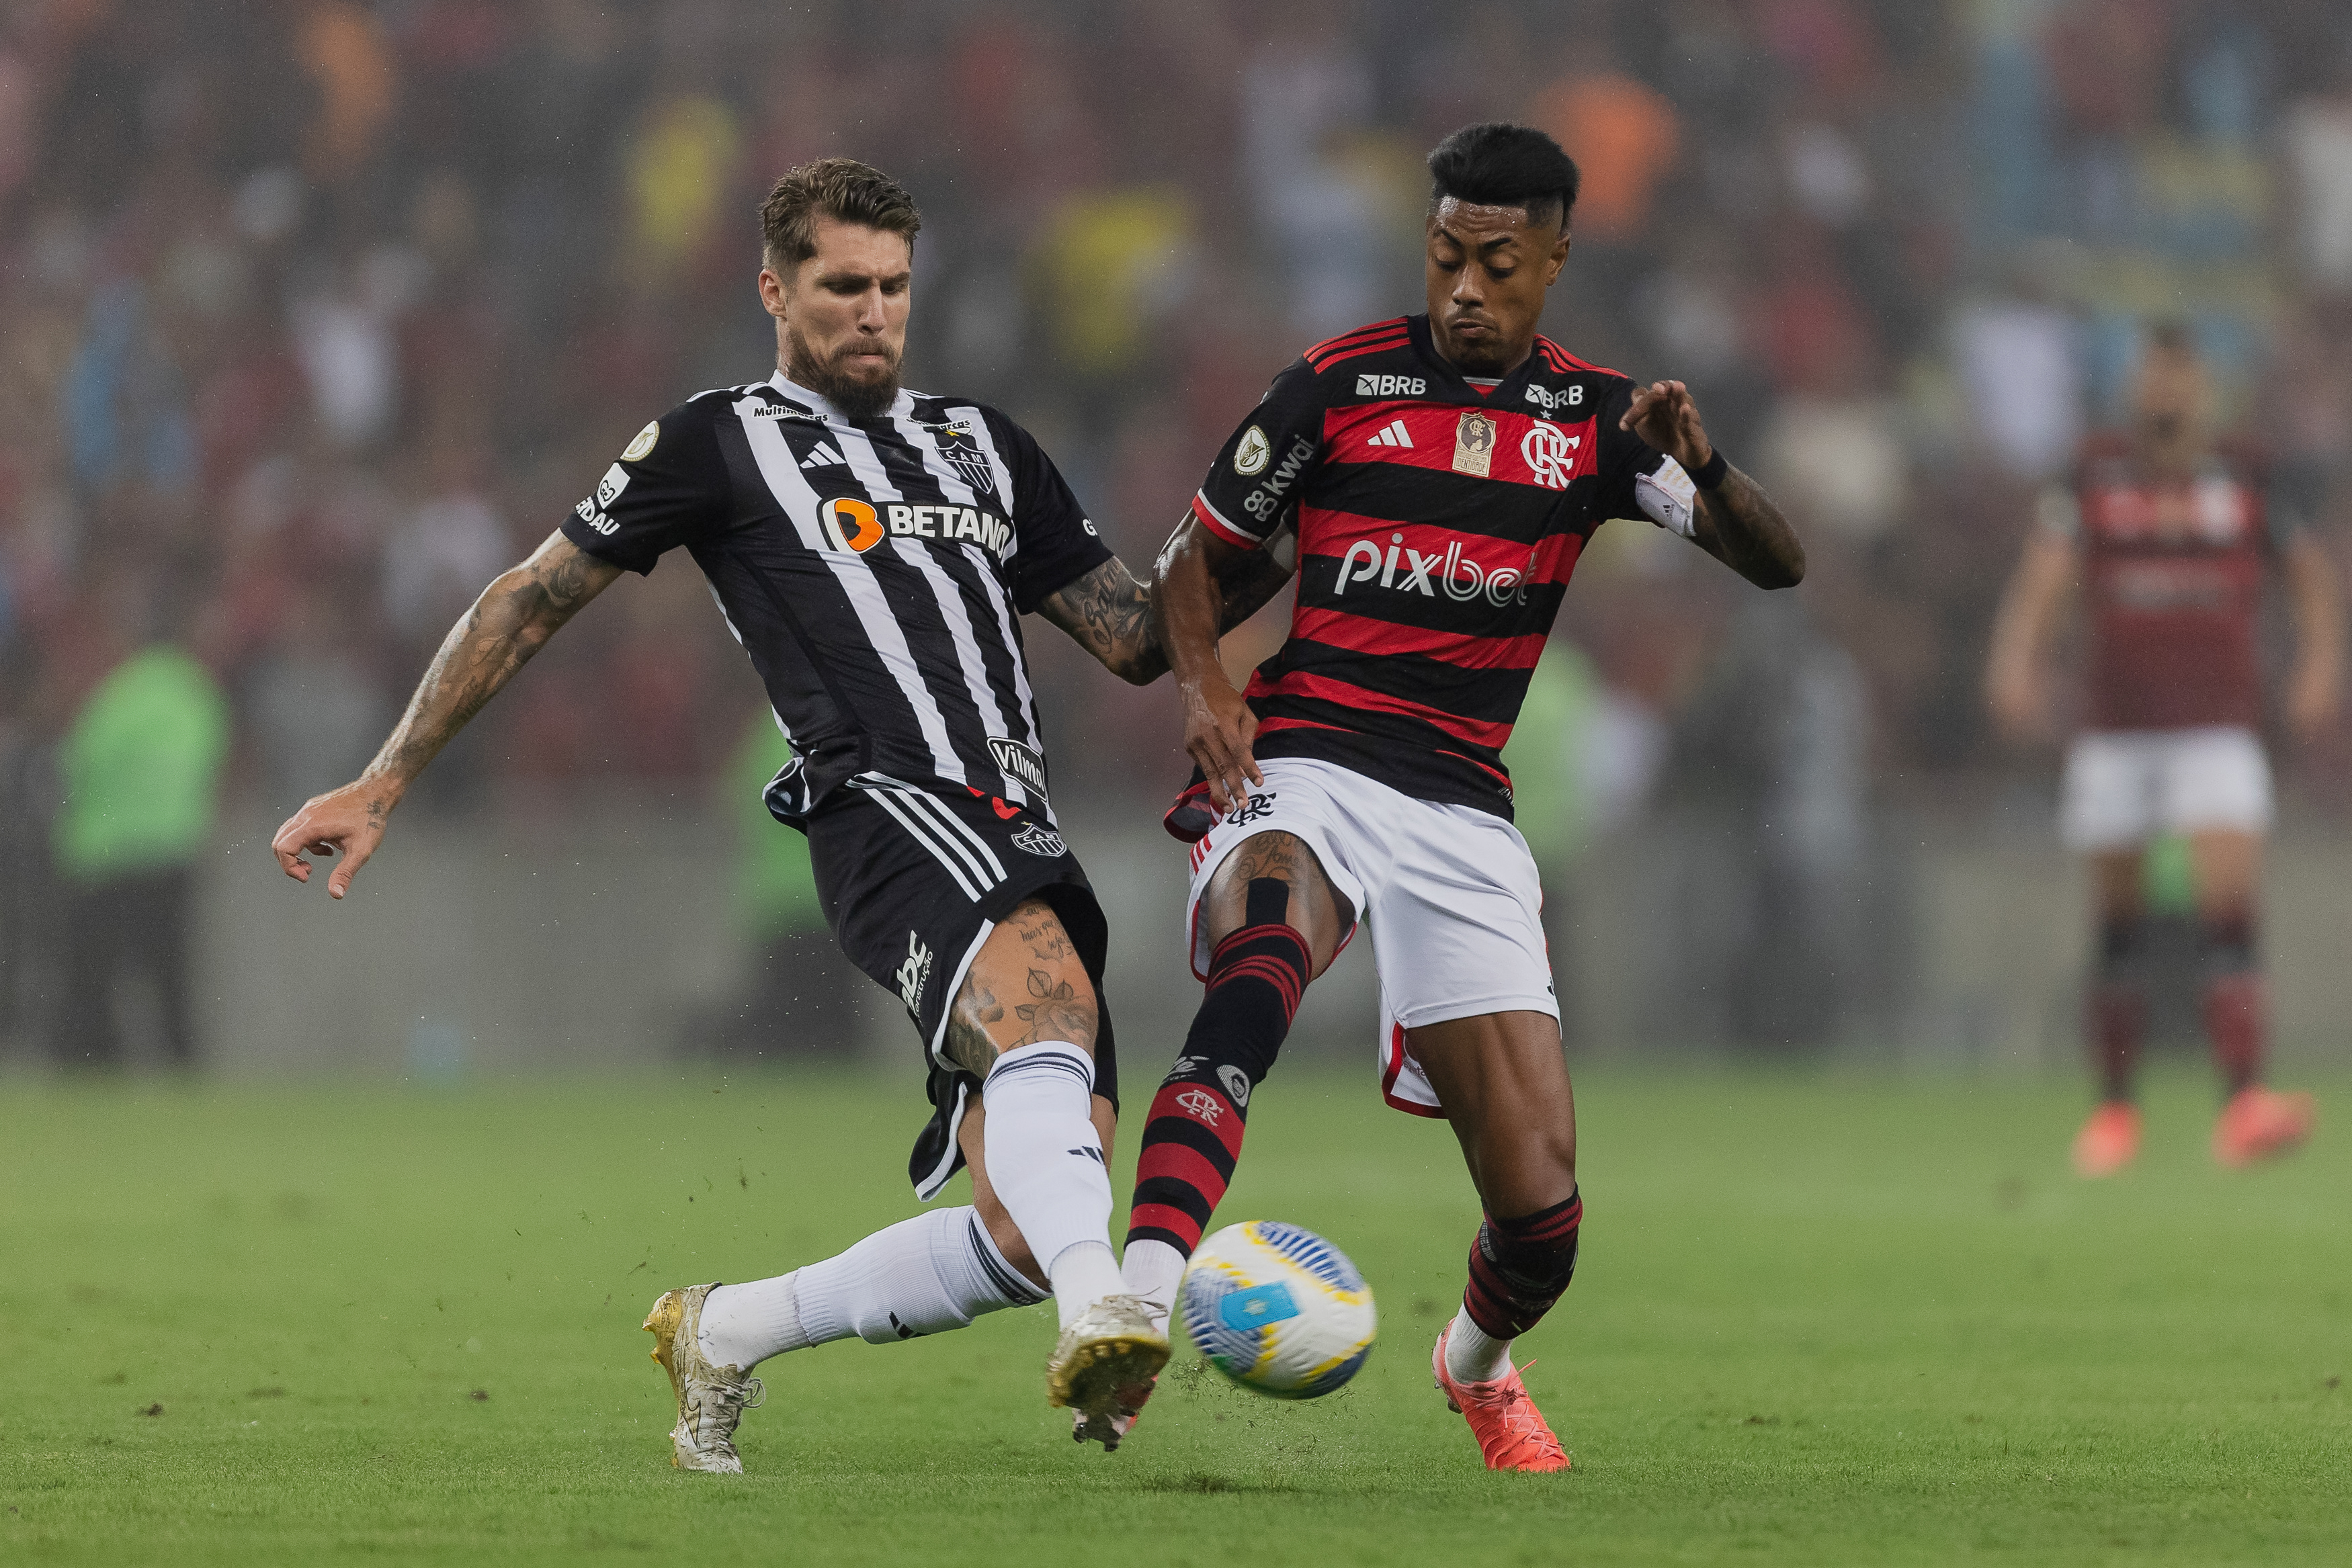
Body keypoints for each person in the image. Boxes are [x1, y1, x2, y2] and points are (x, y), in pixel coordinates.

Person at [271, 159, 1279, 1471]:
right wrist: (388, 774)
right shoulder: (715, 439)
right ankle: (1107, 1312)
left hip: (1012, 818)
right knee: (1047, 1013)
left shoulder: (984, 446)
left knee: (1037, 1211)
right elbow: (532, 594)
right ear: (775, 288)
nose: (873, 311)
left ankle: (726, 1331)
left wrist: (1262, 518)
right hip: (883, 801)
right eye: (842, 285)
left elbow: (1138, 640)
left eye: (894, 288)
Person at [1107, 123, 1805, 1469]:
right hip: (1305, 757)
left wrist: (1704, 466)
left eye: (1497, 263)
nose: (1464, 290)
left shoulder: (1599, 424)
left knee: (1542, 1223)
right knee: (1260, 963)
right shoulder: (1333, 385)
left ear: (1554, 260)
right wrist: (1202, 689)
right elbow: (1198, 560)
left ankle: (1473, 1365)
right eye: (1444, 258)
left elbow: (1774, 566)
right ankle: (1131, 1308)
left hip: (1458, 817)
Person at [1985, 322, 2339, 1177]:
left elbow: (2310, 578)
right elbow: (2045, 578)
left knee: (2228, 907)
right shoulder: (2094, 477)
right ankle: (2113, 1113)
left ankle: (2243, 1103)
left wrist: (2320, 665)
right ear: (2134, 391)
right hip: (2116, 734)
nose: (2167, 395)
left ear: (2204, 391)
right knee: (2119, 926)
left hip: (2215, 728)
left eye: (2181, 380)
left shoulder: (2248, 477)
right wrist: (2015, 663)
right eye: (2154, 379)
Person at [52, 637, 230, 1068]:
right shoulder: (198, 699)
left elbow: (80, 762)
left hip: (104, 857)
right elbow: (211, 765)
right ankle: (180, 1069)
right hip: (171, 852)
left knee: (94, 976)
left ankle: (94, 1070)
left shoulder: (116, 697)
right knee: (169, 976)